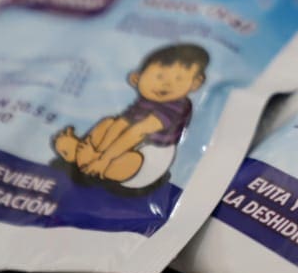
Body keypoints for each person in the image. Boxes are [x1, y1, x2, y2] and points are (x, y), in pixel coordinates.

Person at [52, 43, 208, 190]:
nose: (166, 84)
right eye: (159, 76)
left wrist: (104, 159)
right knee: (109, 122)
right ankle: (87, 160)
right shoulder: (146, 100)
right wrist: (99, 152)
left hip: (150, 157)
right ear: (137, 77)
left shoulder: (176, 106)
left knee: (133, 161)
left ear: (196, 83)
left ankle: (82, 159)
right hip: (125, 146)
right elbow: (121, 124)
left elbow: (138, 132)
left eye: (179, 79)